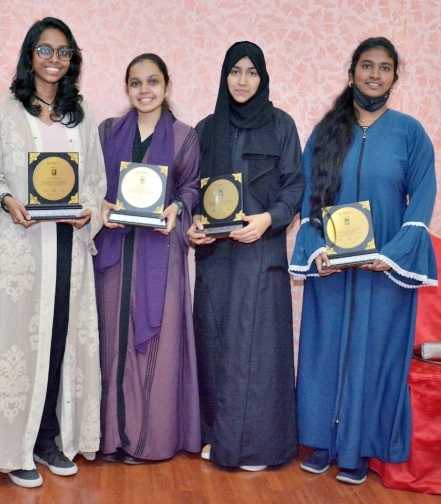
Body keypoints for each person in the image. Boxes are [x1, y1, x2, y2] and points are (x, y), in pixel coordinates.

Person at [289, 37, 437, 485]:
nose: (375, 74)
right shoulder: (326, 131)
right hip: (333, 267)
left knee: (375, 359)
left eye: (385, 68)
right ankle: (323, 443)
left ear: (395, 76)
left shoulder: (410, 133)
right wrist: (318, 251)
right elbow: (309, 194)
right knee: (324, 352)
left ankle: (357, 451)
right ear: (352, 71)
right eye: (367, 65)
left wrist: (391, 256)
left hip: (384, 270)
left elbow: (422, 200)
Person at [0, 18, 106, 488]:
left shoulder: (81, 113)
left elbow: (94, 179)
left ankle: (52, 438)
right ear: (30, 54)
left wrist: (88, 209)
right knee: (19, 345)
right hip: (22, 246)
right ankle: (18, 446)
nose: (55, 60)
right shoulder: (4, 112)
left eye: (64, 52)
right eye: (45, 50)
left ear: (73, 60)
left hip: (67, 246)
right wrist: (7, 201)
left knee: (59, 343)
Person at [188, 41, 303, 470]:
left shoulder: (281, 125)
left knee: (258, 351)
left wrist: (268, 219)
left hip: (261, 254)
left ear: (263, 77)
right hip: (216, 257)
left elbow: (295, 187)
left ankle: (259, 446)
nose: (242, 80)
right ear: (224, 75)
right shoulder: (205, 128)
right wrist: (194, 224)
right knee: (215, 344)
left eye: (252, 72)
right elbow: (190, 190)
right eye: (235, 71)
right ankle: (217, 437)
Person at [94, 54, 201, 463]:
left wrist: (178, 206)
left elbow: (191, 187)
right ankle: (112, 437)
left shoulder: (183, 136)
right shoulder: (106, 132)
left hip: (161, 252)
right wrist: (102, 204)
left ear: (167, 86)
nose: (144, 90)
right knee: (112, 342)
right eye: (135, 82)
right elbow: (94, 184)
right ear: (126, 89)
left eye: (153, 81)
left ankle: (148, 441)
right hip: (115, 252)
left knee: (156, 342)